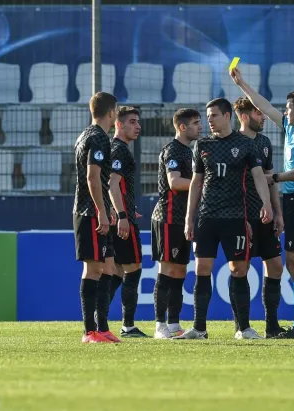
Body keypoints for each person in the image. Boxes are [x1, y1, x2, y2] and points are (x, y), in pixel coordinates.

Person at [230, 68, 294, 338]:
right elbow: (264, 105)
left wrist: (275, 177)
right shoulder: (292, 128)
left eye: (289, 108)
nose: (284, 111)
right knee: (293, 262)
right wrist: (242, 84)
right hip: (292, 200)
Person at [173, 98, 273, 340]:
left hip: (236, 216)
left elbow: (259, 176)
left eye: (214, 115)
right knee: (202, 269)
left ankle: (244, 328)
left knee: (239, 269)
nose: (209, 120)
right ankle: (199, 328)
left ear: (227, 116)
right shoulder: (202, 145)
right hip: (207, 217)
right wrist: (189, 218)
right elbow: (196, 182)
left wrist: (267, 204)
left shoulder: (246, 144)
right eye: (207, 116)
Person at [233, 97, 286, 339]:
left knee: (275, 266)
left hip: (265, 216)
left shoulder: (264, 143)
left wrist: (278, 213)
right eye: (258, 113)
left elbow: (271, 180)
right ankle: (241, 327)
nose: (263, 116)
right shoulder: (232, 143)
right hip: (241, 215)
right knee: (240, 268)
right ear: (244, 116)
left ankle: (271, 326)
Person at [73, 92, 120, 343]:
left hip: (97, 210)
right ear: (111, 112)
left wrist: (107, 209)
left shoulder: (85, 135)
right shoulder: (98, 137)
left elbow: (97, 179)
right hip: (89, 212)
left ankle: (102, 328)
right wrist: (101, 210)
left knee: (109, 267)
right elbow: (92, 177)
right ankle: (89, 331)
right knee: (93, 269)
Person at [151, 108, 201, 339]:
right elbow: (174, 182)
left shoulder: (188, 151)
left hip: (182, 219)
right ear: (182, 127)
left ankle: (173, 323)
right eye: (195, 123)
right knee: (167, 269)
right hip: (168, 217)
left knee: (180, 270)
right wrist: (203, 183)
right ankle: (160, 324)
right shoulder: (172, 150)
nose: (200, 127)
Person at [106, 106, 147, 338]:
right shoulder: (119, 150)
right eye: (132, 122)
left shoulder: (115, 149)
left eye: (138, 122)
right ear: (118, 124)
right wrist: (122, 215)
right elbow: (112, 184)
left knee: (118, 271)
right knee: (133, 269)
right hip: (123, 221)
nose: (137, 126)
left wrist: (125, 208)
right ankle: (128, 326)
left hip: (122, 215)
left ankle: (98, 319)